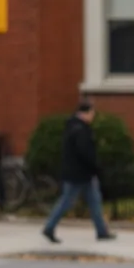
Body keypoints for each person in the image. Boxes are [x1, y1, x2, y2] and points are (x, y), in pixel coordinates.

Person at [42, 101, 116, 243]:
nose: (93, 117)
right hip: (79, 174)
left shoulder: (72, 126)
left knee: (94, 201)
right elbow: (85, 153)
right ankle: (49, 227)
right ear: (85, 113)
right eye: (92, 113)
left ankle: (102, 231)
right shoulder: (81, 130)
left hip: (80, 173)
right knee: (67, 201)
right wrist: (95, 166)